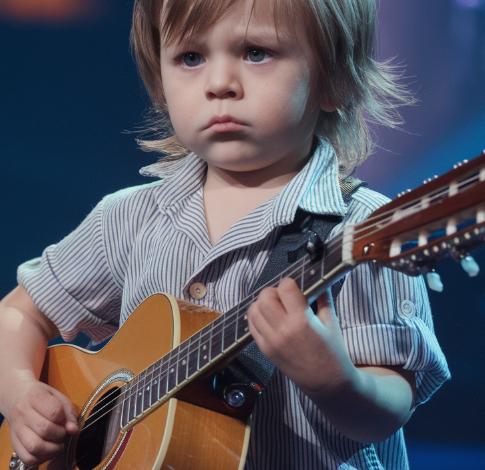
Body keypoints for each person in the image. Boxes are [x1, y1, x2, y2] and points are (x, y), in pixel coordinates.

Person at [0, 0, 450, 468]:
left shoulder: (361, 227)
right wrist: (20, 396)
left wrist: (332, 379)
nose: (219, 85)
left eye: (256, 52)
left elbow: (389, 410)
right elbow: (18, 314)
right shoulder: (128, 219)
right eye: (191, 58)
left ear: (333, 79)